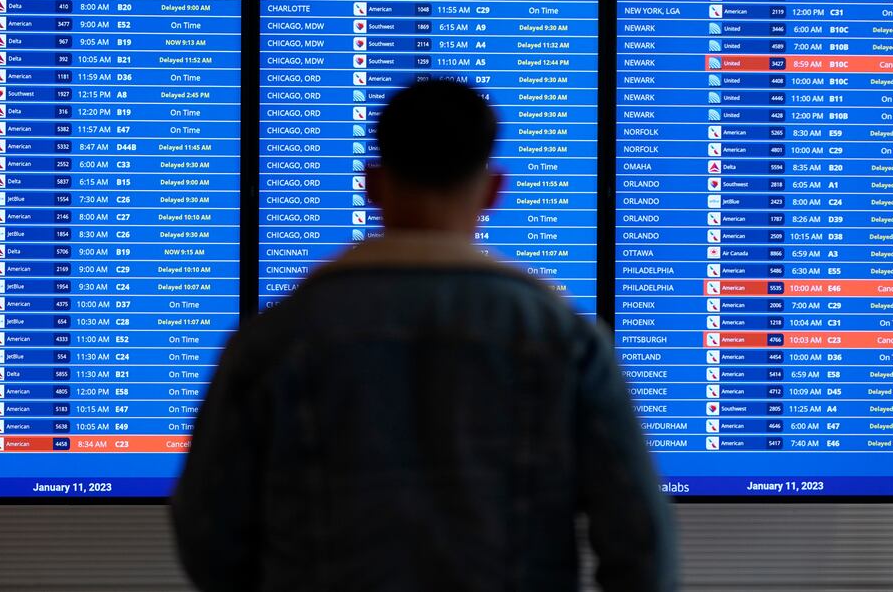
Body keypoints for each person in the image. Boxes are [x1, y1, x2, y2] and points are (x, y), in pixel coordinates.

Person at [171, 80, 676, 591]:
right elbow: (641, 544)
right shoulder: (564, 341)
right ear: (494, 190)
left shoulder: (272, 342)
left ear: (371, 183)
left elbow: (207, 534)